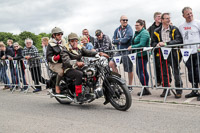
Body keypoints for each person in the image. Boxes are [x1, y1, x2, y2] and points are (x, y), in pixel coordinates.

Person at [61, 32, 109, 102]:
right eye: (72, 41)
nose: (74, 42)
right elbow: (66, 61)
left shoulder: (79, 48)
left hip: (79, 66)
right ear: (69, 41)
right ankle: (78, 95)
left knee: (92, 70)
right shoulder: (65, 49)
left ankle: (92, 88)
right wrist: (77, 63)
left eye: (76, 40)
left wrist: (98, 53)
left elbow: (88, 52)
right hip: (69, 68)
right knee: (79, 74)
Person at [152, 13, 183, 97]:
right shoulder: (156, 31)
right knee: (164, 73)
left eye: (169, 18)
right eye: (166, 18)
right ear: (162, 20)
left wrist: (166, 43)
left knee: (176, 72)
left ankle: (179, 91)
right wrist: (157, 44)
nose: (169, 20)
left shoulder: (174, 29)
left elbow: (179, 40)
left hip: (173, 53)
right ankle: (166, 90)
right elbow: (153, 42)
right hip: (162, 54)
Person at [179, 7, 200, 101]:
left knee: (198, 72)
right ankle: (194, 90)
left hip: (198, 52)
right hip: (187, 53)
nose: (190, 15)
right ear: (183, 15)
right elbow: (180, 39)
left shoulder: (198, 23)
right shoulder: (181, 26)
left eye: (191, 13)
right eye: (187, 14)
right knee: (191, 73)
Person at [109, 15, 133, 89]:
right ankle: (120, 82)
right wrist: (120, 40)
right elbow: (113, 40)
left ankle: (130, 86)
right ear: (120, 21)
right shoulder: (117, 29)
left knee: (129, 69)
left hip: (127, 52)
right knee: (111, 63)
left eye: (126, 20)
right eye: (123, 20)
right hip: (119, 51)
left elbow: (126, 39)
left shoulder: (129, 28)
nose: (125, 21)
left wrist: (118, 40)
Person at [128, 19, 151, 96]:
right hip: (138, 54)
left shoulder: (144, 33)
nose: (136, 27)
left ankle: (145, 88)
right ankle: (145, 87)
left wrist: (132, 47)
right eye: (135, 25)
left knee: (140, 71)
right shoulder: (137, 33)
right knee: (142, 71)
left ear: (142, 25)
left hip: (143, 54)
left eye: (137, 25)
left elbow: (142, 44)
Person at [46, 27, 65, 94]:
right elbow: (48, 57)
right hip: (54, 64)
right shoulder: (50, 45)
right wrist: (54, 58)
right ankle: (57, 85)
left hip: (64, 62)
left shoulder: (63, 43)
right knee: (61, 72)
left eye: (61, 34)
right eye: (58, 34)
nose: (60, 36)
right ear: (54, 35)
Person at [148, 12, 162, 87]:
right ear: (154, 18)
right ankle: (158, 81)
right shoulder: (151, 28)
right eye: (158, 16)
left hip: (163, 49)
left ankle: (165, 81)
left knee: (164, 66)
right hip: (155, 50)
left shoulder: (163, 25)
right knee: (156, 66)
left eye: (161, 16)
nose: (160, 18)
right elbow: (149, 37)